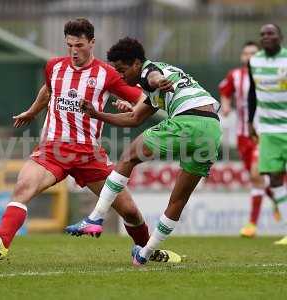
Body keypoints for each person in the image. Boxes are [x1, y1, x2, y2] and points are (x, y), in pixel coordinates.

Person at [0, 18, 177, 261]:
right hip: (53, 150)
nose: (74, 51)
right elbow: (48, 91)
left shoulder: (107, 74)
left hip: (89, 154)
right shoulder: (54, 67)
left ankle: (147, 250)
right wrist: (32, 111)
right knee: (22, 188)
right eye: (69, 45)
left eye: (79, 45)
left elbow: (143, 97)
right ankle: (1, 243)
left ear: (91, 43)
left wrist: (128, 103)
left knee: (130, 211)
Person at [66, 37, 222, 266]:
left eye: (122, 70)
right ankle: (144, 254)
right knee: (178, 199)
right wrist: (97, 114)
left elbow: (153, 77)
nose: (120, 76)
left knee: (128, 158)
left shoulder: (150, 71)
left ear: (136, 63)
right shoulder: (156, 88)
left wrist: (159, 82)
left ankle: (95, 217)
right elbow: (133, 118)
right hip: (212, 130)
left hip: (189, 122)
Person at [219, 41, 279, 238]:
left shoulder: (269, 73)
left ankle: (252, 224)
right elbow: (225, 92)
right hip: (243, 135)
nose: (249, 56)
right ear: (242, 57)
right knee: (260, 179)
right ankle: (279, 201)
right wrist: (226, 106)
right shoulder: (235, 76)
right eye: (246, 53)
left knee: (257, 175)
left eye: (253, 53)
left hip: (265, 132)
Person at [248, 24, 287, 245]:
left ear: (280, 36)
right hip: (269, 131)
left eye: (270, 33)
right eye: (262, 34)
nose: (266, 37)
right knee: (273, 179)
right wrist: (249, 121)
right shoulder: (255, 61)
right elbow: (252, 93)